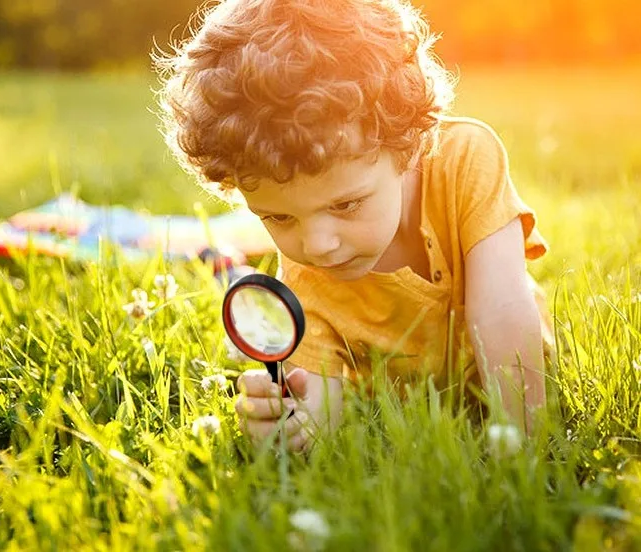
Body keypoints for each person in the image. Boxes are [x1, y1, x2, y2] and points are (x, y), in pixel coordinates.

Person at [157, 0, 554, 451]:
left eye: (346, 204)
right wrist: (293, 427)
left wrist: (524, 445)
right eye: (279, 217)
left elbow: (502, 310)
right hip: (403, 406)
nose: (319, 245)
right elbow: (322, 404)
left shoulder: (463, 160)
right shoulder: (304, 276)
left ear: (409, 145)